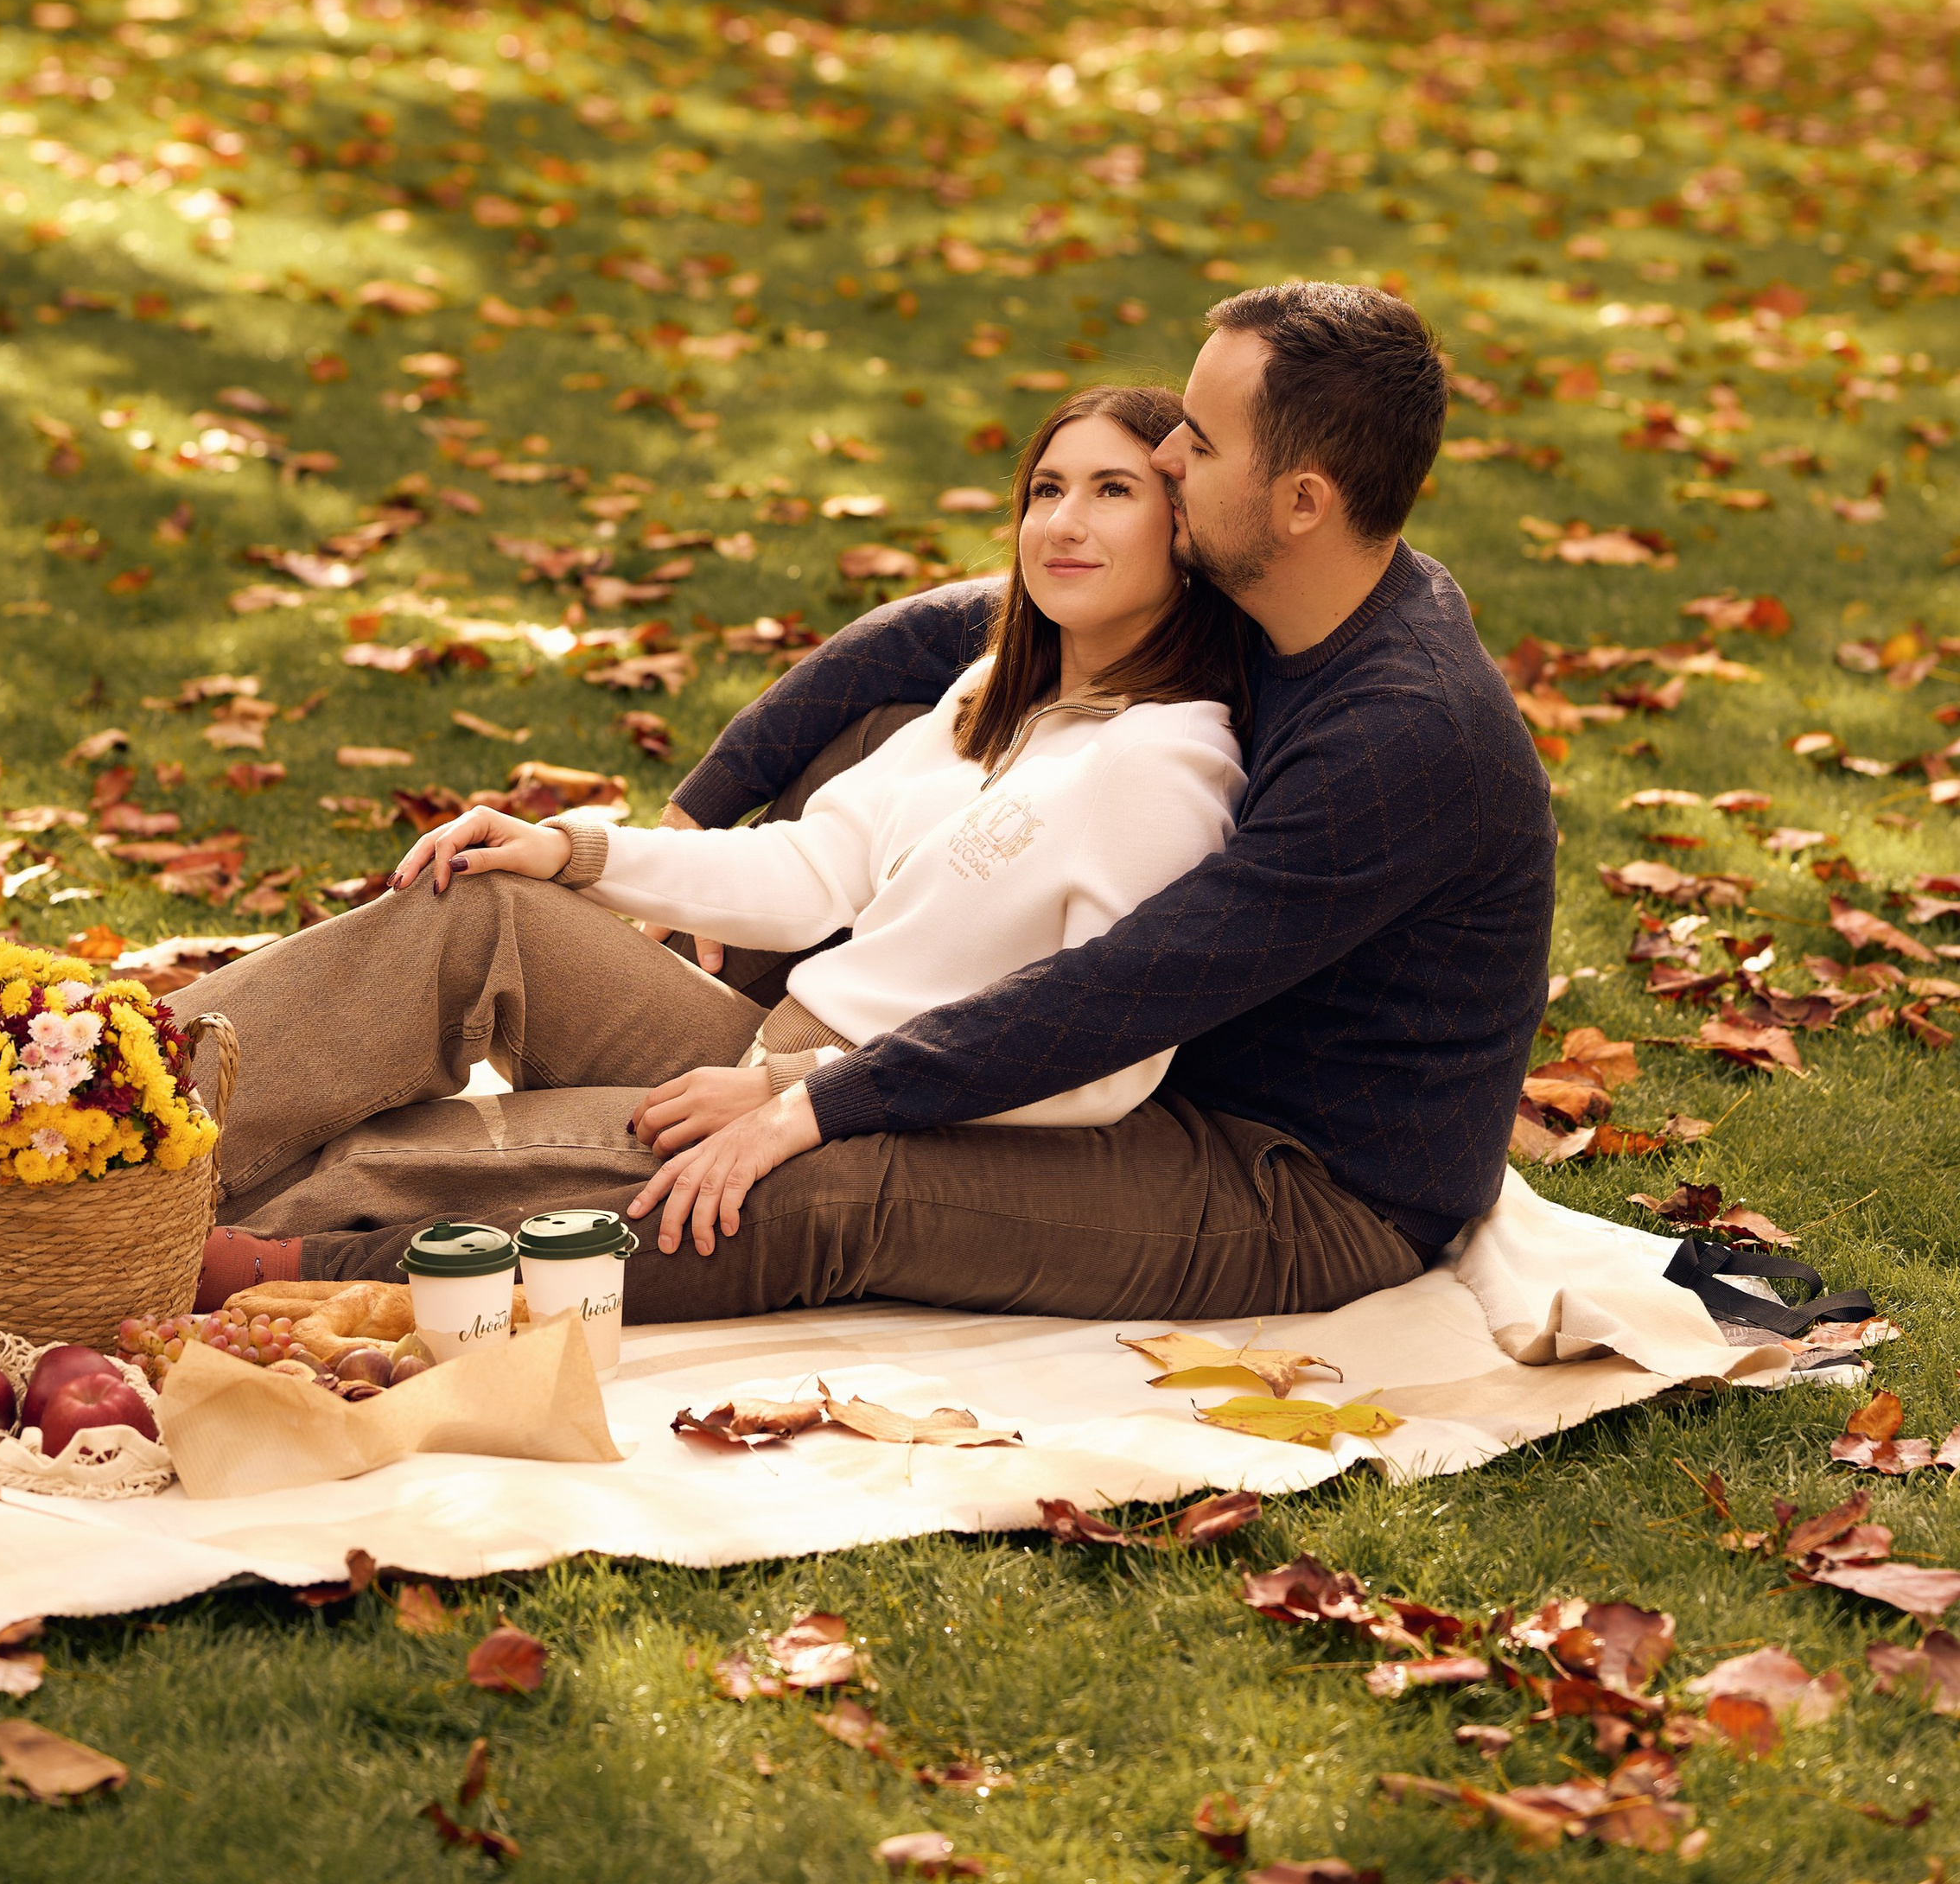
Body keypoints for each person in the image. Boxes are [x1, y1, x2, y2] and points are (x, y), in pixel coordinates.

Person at [179, 279, 1554, 1330]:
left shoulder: (1398, 742)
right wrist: (628, 833)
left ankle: (281, 1272)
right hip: (1005, 1060)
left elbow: (1127, 999)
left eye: (1193, 440)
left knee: (810, 1185)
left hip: (1289, 1182)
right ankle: (119, 1107)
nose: (1171, 456)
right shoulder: (1277, 594)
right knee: (487, 916)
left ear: (1303, 497)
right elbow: (943, 631)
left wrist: (819, 1099)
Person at [184, 388, 1248, 1306]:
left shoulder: (1165, 767)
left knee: (378, 1156)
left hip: (870, 1119)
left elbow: (1104, 1068)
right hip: (770, 1050)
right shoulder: (992, 695)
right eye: (1046, 488)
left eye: (1114, 490)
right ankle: (101, 1081)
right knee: (479, 901)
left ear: (1186, 532)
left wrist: (809, 1087)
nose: (1063, 520)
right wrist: (574, 852)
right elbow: (811, 868)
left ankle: (142, 1242)